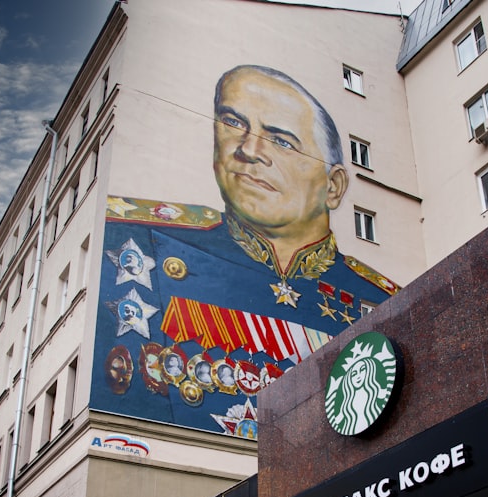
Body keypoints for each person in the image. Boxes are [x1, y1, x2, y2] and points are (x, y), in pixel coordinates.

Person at [97, 64, 399, 435]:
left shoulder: (382, 299)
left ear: (334, 186)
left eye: (282, 141)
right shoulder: (136, 240)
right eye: (232, 123)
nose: (249, 150)